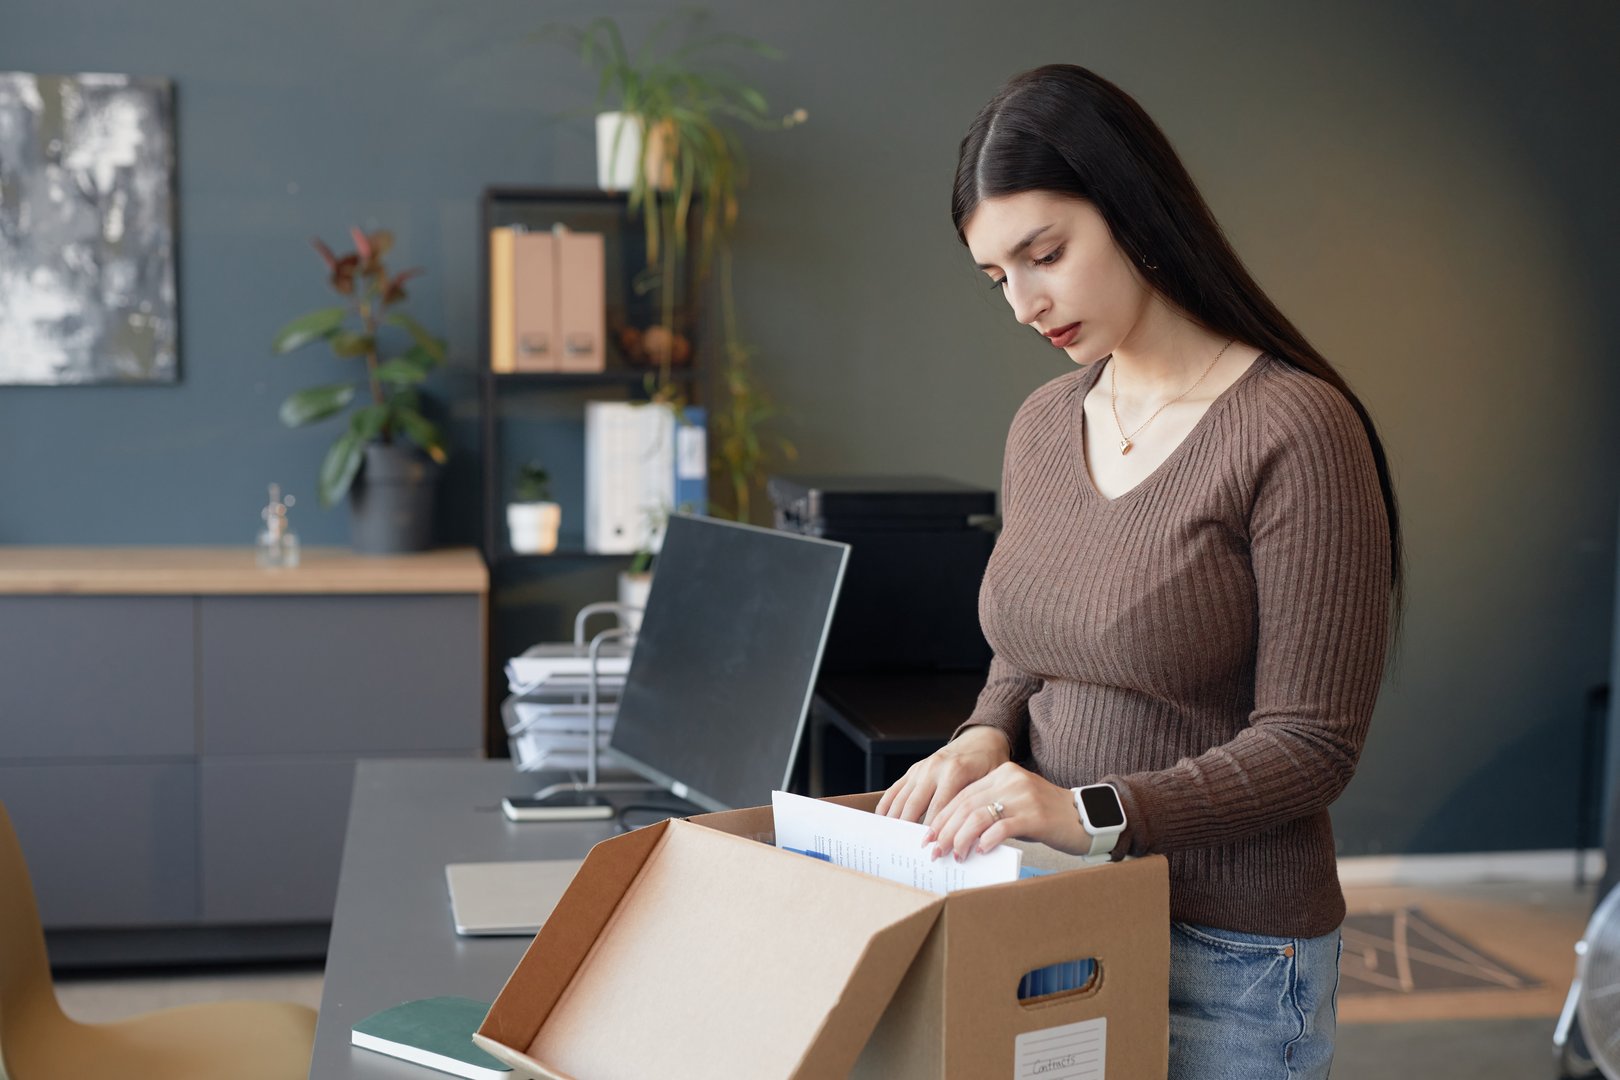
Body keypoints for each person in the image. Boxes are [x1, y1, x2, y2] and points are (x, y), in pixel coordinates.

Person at [874, 63, 1402, 1080]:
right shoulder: (1042, 425)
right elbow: (1029, 646)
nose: (1026, 304)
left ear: (1134, 208)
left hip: (1229, 952)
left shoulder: (1297, 430)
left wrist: (1091, 814)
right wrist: (983, 737)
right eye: (998, 278)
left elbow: (1312, 746)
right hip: (1053, 914)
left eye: (1046, 255)